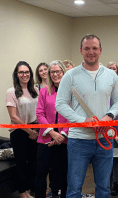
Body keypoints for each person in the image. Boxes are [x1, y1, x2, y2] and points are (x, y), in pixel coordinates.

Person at [56, 34, 118, 198]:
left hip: (104, 139)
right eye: (87, 48)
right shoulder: (70, 76)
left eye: (94, 48)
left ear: (100, 50)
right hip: (78, 140)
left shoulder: (111, 75)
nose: (91, 52)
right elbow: (61, 104)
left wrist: (109, 115)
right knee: (74, 189)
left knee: (104, 189)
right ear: (81, 50)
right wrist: (82, 121)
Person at [35, 61, 69, 198]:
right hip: (45, 138)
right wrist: (52, 133)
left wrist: (61, 135)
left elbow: (72, 116)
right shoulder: (44, 91)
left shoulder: (71, 92)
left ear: (63, 72)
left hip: (64, 139)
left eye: (58, 71)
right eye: (52, 72)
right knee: (41, 174)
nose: (55, 74)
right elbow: (39, 114)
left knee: (64, 174)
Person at [6, 61, 39, 198]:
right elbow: (13, 117)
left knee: (33, 163)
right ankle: (22, 192)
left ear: (30, 74)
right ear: (16, 74)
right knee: (21, 163)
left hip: (35, 129)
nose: (24, 75)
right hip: (19, 131)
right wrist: (29, 131)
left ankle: (30, 189)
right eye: (21, 72)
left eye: (27, 72)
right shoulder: (11, 91)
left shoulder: (35, 90)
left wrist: (35, 131)